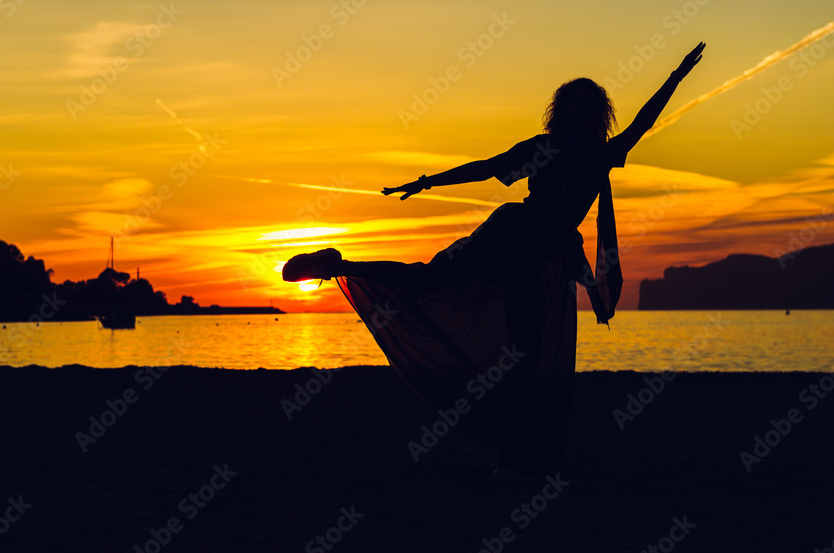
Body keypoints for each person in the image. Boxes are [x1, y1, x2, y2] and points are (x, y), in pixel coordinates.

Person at [283, 43, 706, 478]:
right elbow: (487, 167)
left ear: (600, 112)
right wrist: (429, 182)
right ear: (563, 110)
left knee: (526, 355)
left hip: (537, 257)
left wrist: (676, 76)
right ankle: (337, 265)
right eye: (576, 103)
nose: (584, 110)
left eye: (591, 104)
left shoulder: (605, 154)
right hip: (509, 237)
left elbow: (644, 121)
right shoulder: (543, 147)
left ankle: (513, 454)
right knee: (429, 279)